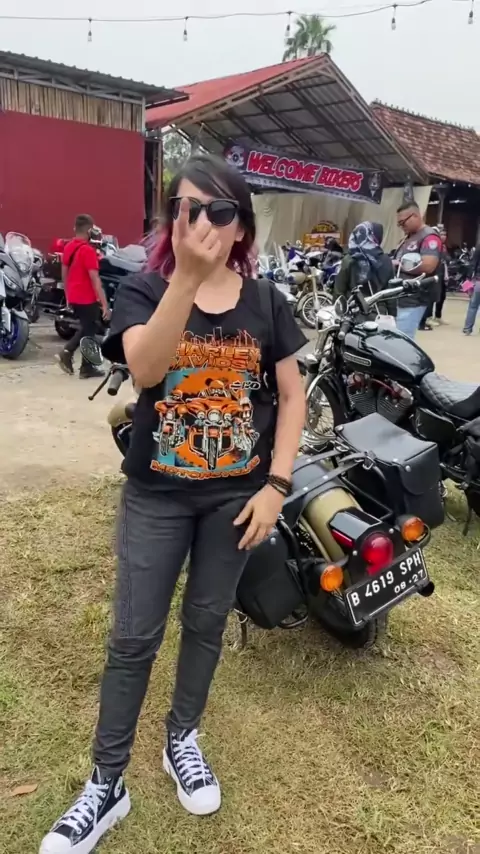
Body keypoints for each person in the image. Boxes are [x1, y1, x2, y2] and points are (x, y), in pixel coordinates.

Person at [39, 154, 307, 854]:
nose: (204, 221)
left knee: (206, 621)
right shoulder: (145, 288)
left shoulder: (266, 302)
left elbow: (292, 396)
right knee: (133, 638)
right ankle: (107, 783)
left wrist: (277, 486)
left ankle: (181, 737)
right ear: (171, 217)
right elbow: (147, 369)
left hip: (235, 500)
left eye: (221, 210)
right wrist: (185, 280)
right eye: (190, 207)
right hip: (156, 496)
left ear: (241, 225)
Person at [56, 214, 110, 378]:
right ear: (89, 230)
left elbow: (64, 274)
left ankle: (86, 367)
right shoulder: (87, 251)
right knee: (89, 328)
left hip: (74, 296)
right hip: (86, 297)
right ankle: (67, 352)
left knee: (89, 329)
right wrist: (105, 304)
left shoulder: (69, 247)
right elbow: (95, 279)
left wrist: (67, 295)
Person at [394, 201, 442, 339]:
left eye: (403, 223)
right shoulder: (409, 236)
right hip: (403, 295)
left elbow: (429, 265)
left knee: (403, 338)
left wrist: (399, 265)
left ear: (415, 216)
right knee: (397, 336)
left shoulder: (429, 236)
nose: (401, 226)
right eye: (399, 224)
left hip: (415, 296)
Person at [334, 221, 397, 320]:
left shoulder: (349, 259)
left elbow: (339, 291)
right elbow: (391, 294)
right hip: (378, 314)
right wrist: (393, 315)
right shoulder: (386, 261)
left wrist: (338, 314)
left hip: (354, 314)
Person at [463, 241, 480, 335]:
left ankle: (467, 329)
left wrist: (468, 279)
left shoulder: (479, 246)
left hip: (478, 280)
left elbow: (473, 264)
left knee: (473, 306)